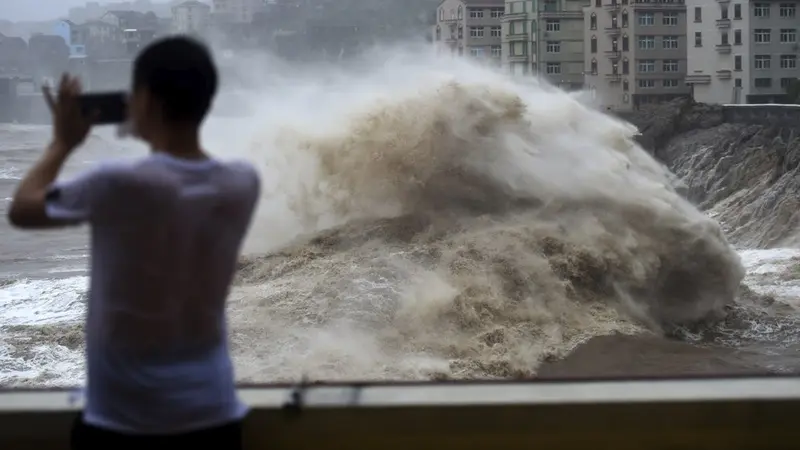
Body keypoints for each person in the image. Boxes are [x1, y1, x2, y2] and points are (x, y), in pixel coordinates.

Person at [7, 36, 260, 449]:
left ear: (145, 99)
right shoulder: (241, 183)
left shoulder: (118, 184)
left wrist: (61, 143)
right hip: (213, 415)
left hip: (123, 421)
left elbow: (23, 209)